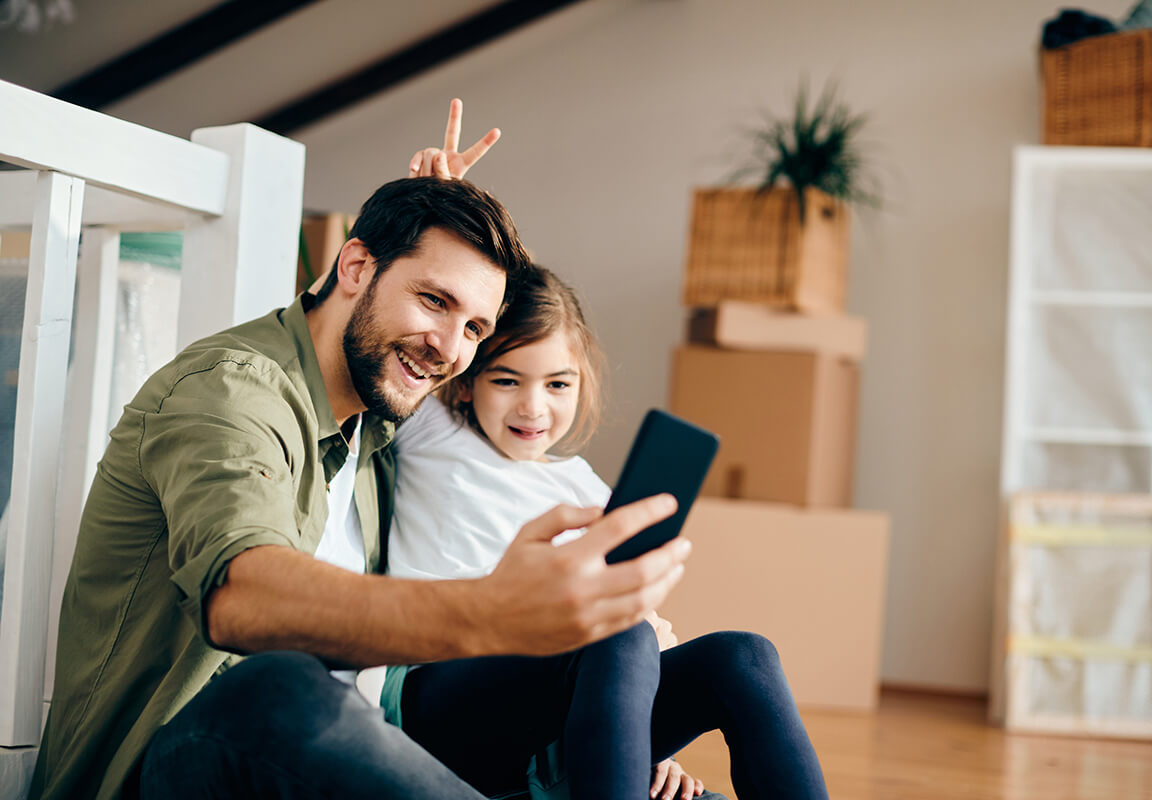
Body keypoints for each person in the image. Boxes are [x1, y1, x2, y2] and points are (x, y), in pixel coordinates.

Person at [30, 102, 691, 800]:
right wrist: (490, 609)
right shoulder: (230, 393)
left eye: (473, 327)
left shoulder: (378, 425)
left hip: (352, 757)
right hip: (181, 768)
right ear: (353, 267)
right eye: (433, 300)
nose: (449, 348)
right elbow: (242, 598)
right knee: (279, 682)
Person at [380, 266, 830, 800]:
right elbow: (381, 320)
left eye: (557, 384)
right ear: (467, 377)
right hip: (447, 698)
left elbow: (625, 642)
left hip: (563, 724)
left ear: (581, 383)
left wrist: (658, 751)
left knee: (743, 655)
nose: (533, 406)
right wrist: (442, 196)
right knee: (619, 631)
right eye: (506, 380)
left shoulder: (590, 492)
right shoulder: (432, 429)